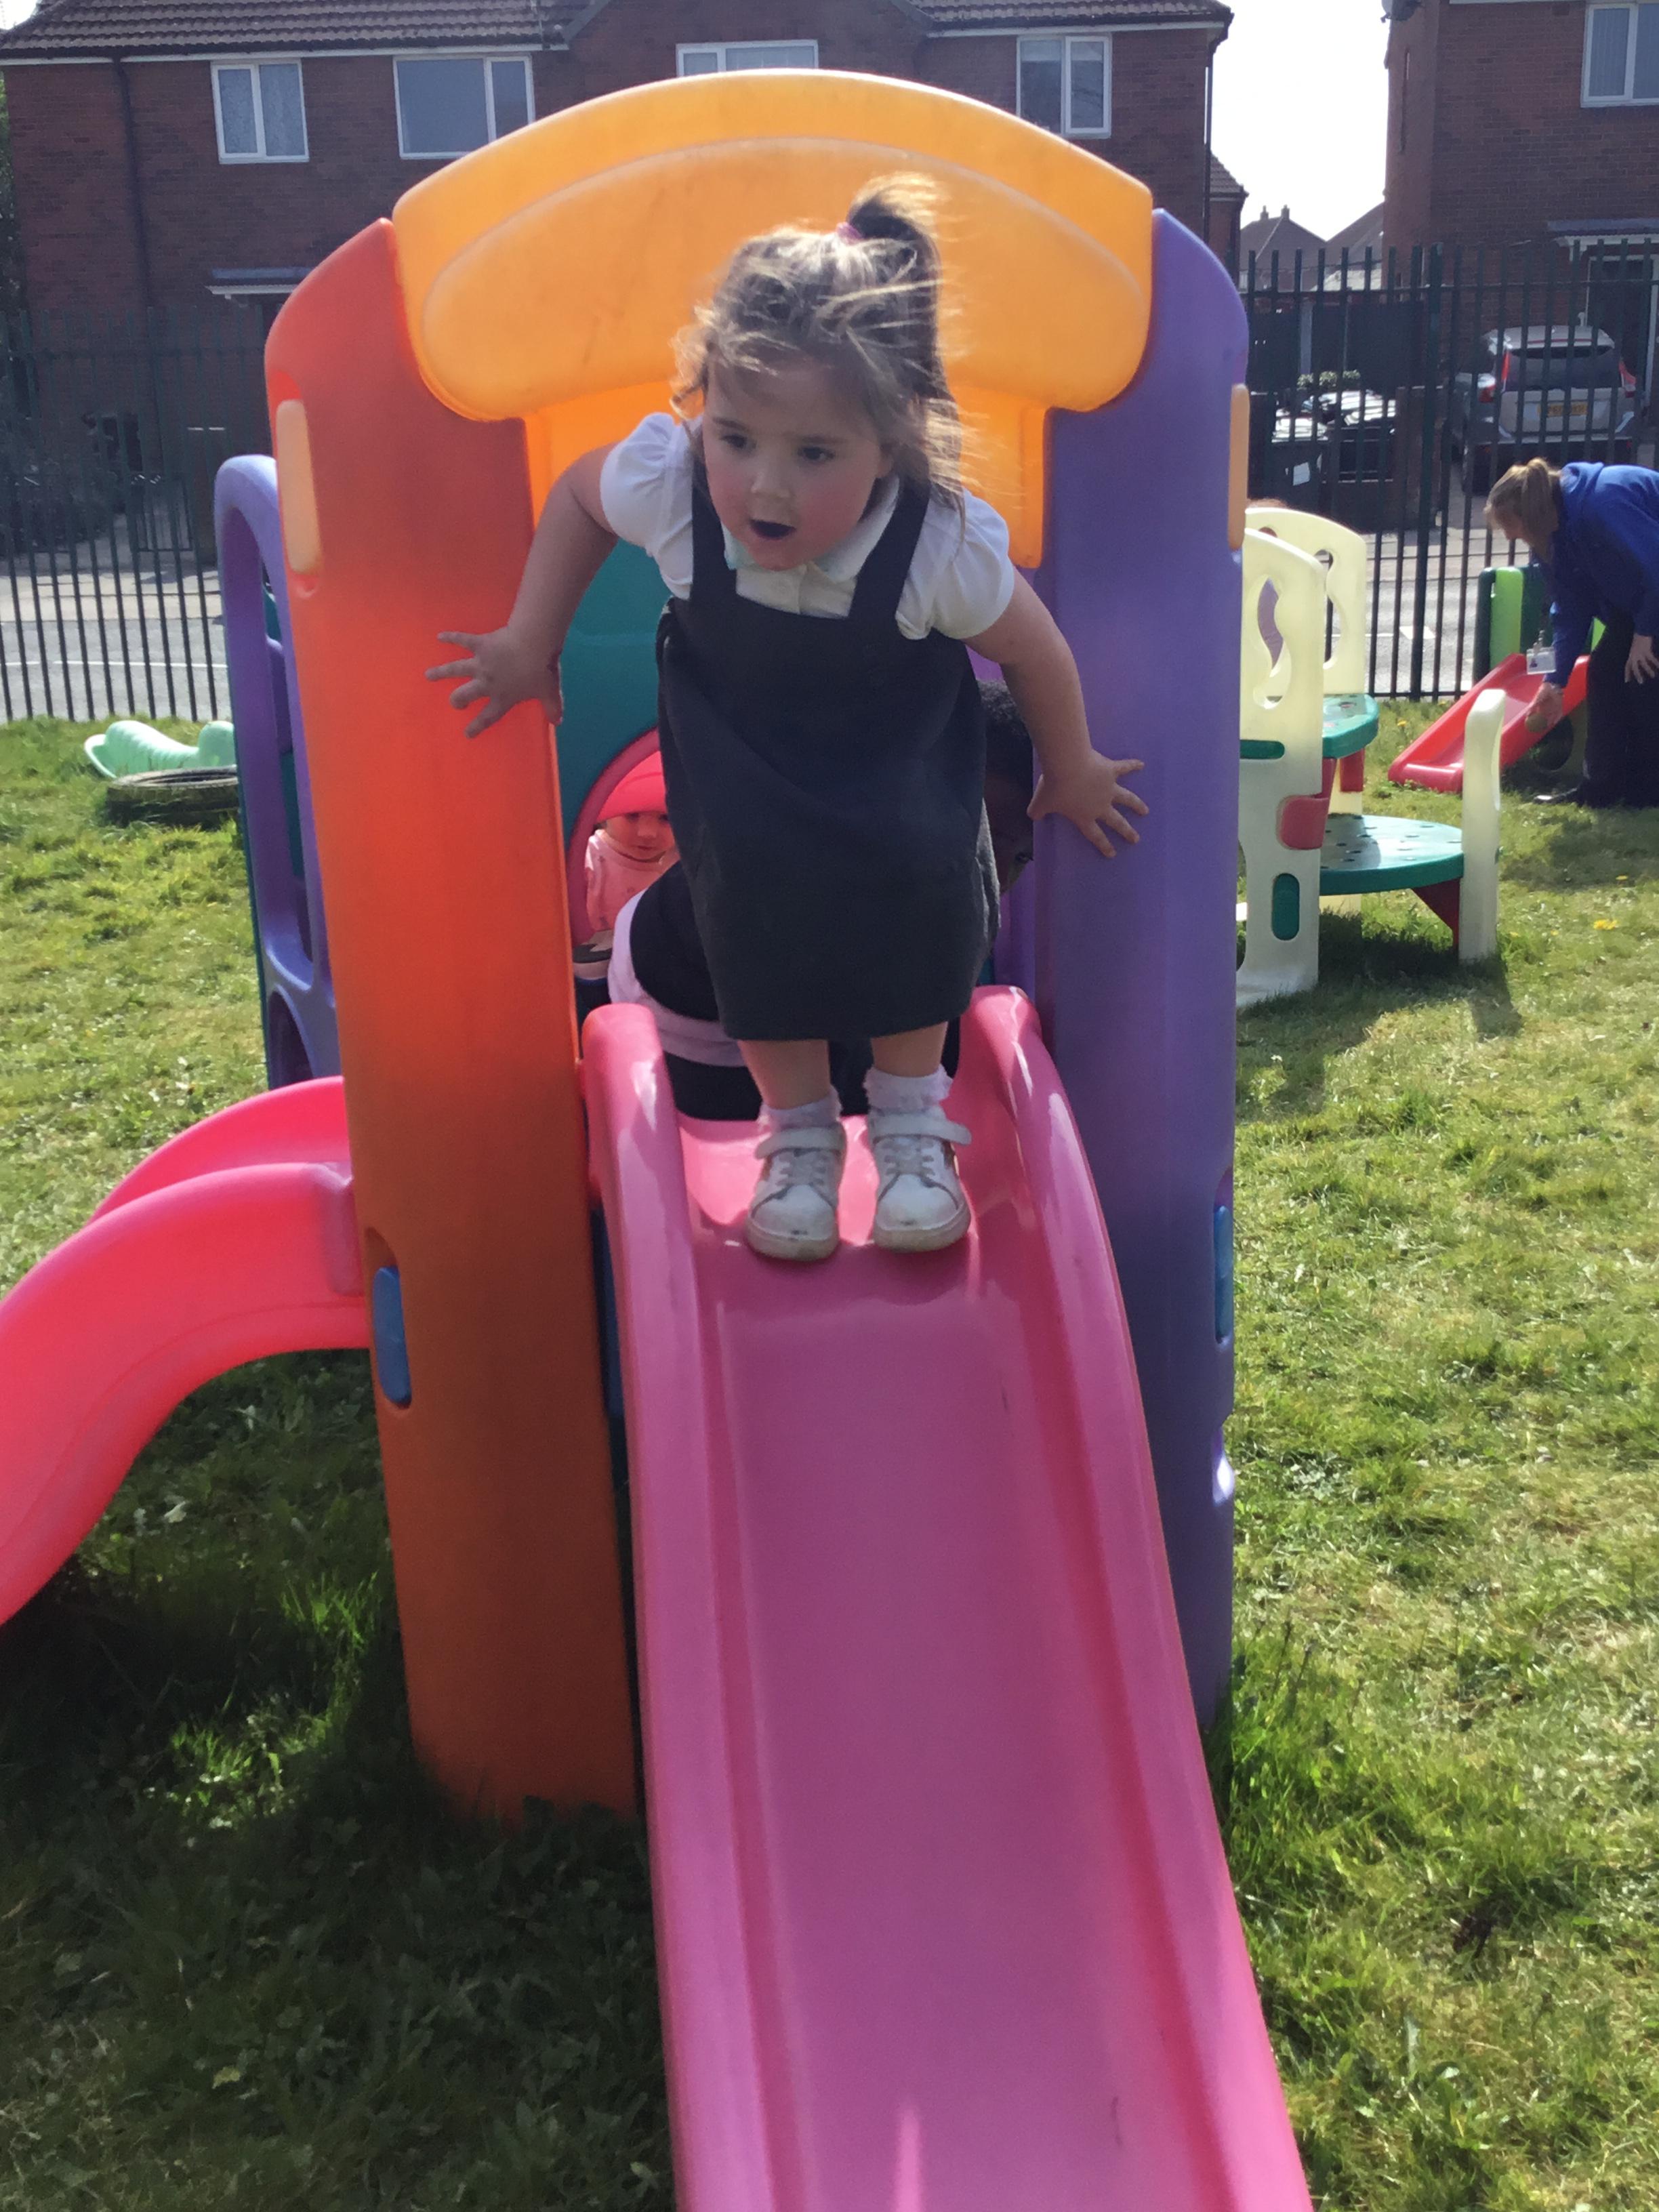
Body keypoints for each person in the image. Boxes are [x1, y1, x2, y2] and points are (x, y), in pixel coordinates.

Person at [428, 179, 1144, 1262]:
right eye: (737, 438)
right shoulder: (673, 492)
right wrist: (534, 639)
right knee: (752, 930)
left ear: (889, 446)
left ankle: (911, 1131)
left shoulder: (931, 546)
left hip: (900, 785)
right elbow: (577, 497)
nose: (766, 485)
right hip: (749, 789)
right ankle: (799, 1140)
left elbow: (1032, 647)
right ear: (702, 413)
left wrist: (1073, 762)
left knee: (923, 911)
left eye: (814, 454)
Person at [609, 682, 1038, 1122]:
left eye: (1023, 856)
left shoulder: (935, 878)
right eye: (992, 836)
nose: (1003, 872)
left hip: (781, 984)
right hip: (686, 994)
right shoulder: (838, 840)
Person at [1486, 457, 1659, 809]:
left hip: (1652, 592)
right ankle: (1600, 790)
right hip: (1643, 599)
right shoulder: (1553, 538)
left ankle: (1646, 792)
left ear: (1532, 515)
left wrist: (1646, 633)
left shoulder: (1604, 504)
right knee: (1605, 671)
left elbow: (1654, 564)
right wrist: (1555, 681)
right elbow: (1570, 609)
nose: (1509, 536)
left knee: (1644, 676)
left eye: (1510, 525)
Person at [583, 751, 677, 939]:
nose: (647, 833)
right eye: (632, 815)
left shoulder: (684, 869)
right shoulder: (587, 861)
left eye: (665, 818)